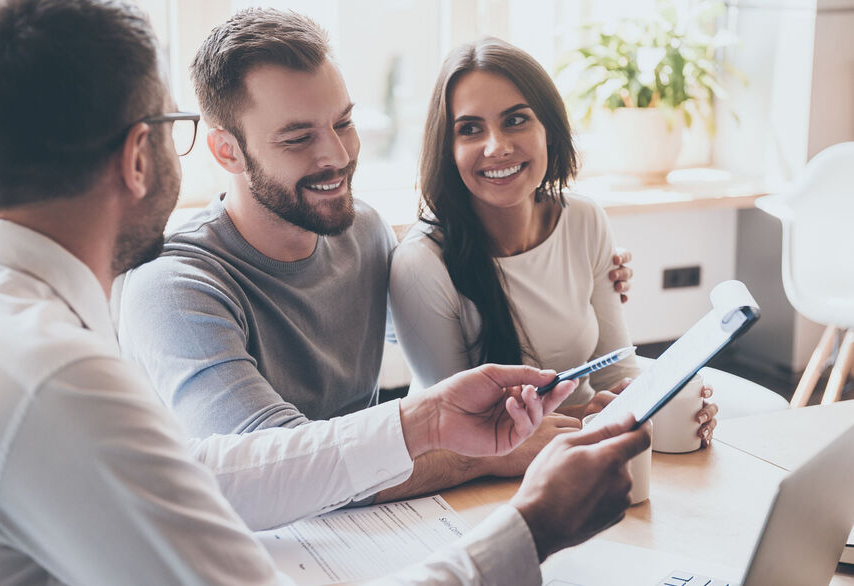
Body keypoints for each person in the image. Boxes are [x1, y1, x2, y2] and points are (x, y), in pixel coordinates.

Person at [0, 1, 652, 584]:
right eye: (175, 129)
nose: (337, 154)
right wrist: (531, 529)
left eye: (343, 123)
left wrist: (426, 421)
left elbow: (217, 470)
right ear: (140, 155)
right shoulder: (60, 380)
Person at [117, 8, 634, 501]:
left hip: (376, 525)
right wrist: (485, 455)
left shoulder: (360, 230)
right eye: (299, 138)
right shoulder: (175, 288)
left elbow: (436, 312)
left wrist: (580, 270)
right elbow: (276, 472)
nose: (338, 158)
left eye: (343, 123)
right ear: (227, 151)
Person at [389, 38, 718, 443]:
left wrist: (662, 403)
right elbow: (462, 433)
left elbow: (616, 372)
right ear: (447, 148)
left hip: (580, 450)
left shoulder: (583, 220)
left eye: (515, 120)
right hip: (472, 477)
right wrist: (590, 417)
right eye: (470, 129)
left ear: (549, 128)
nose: (497, 147)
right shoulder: (421, 263)